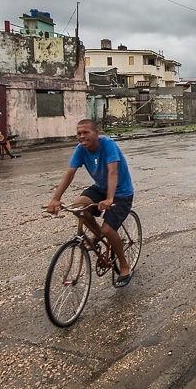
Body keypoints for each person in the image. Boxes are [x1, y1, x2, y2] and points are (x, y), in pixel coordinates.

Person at [47, 119, 135, 286]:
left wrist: (109, 198)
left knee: (108, 228)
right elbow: (70, 173)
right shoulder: (81, 149)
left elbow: (113, 172)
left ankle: (124, 265)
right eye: (79, 133)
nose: (81, 136)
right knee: (77, 207)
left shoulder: (108, 145)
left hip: (121, 193)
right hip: (100, 188)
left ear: (96, 133)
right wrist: (55, 198)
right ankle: (99, 235)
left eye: (85, 132)